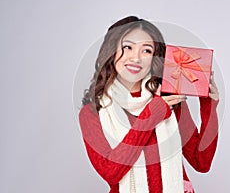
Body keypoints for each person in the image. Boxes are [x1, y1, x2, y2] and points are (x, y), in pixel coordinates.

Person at [78, 15, 219, 193]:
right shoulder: (92, 113)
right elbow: (111, 171)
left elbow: (202, 162)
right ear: (111, 51)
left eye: (146, 50)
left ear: (154, 58)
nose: (136, 58)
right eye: (127, 47)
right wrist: (153, 113)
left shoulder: (170, 100)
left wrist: (209, 106)